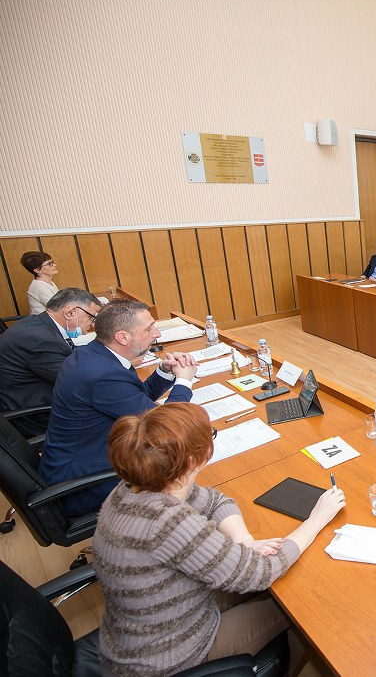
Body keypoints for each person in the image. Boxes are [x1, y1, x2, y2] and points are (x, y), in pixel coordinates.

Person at [93, 402, 347, 676]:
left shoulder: (136, 488)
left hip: (148, 628)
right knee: (301, 607)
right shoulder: (169, 523)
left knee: (281, 584)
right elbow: (261, 572)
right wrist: (316, 520)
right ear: (192, 461)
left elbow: (215, 500)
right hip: (169, 658)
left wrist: (245, 540)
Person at [39, 299, 198, 517]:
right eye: (149, 328)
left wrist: (165, 372)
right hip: (84, 484)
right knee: (191, 478)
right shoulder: (103, 375)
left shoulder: (96, 355)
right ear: (122, 337)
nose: (157, 334)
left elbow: (133, 398)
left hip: (80, 459)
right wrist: (184, 381)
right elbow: (166, 427)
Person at [0, 288, 103, 437]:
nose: (91, 325)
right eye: (91, 318)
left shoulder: (38, 324)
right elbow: (80, 381)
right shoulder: (41, 340)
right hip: (37, 417)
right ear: (70, 312)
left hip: (26, 398)